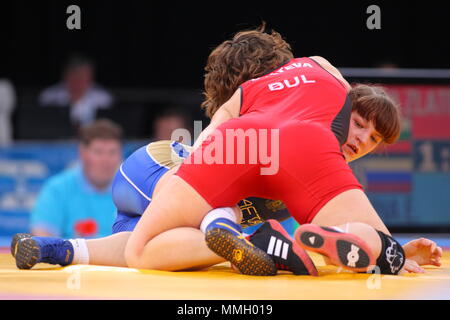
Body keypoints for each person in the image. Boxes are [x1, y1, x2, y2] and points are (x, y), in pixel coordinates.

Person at [13, 26, 441, 275]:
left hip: (187, 160)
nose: (360, 141)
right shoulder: (324, 94)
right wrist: (393, 250)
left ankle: (56, 250)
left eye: (371, 141)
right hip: (173, 169)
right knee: (250, 211)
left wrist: (198, 171)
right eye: (359, 127)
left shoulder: (279, 86)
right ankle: (232, 224)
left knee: (138, 248)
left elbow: (217, 133)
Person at [29, 119, 123, 240]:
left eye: (112, 152)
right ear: (82, 153)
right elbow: (41, 237)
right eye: (98, 152)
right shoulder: (57, 189)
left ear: (121, 154)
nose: (106, 160)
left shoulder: (136, 189)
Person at [38, 54, 113, 128]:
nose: (78, 81)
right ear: (65, 76)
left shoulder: (103, 98)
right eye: (74, 75)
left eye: (83, 77)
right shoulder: (50, 96)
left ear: (90, 77)